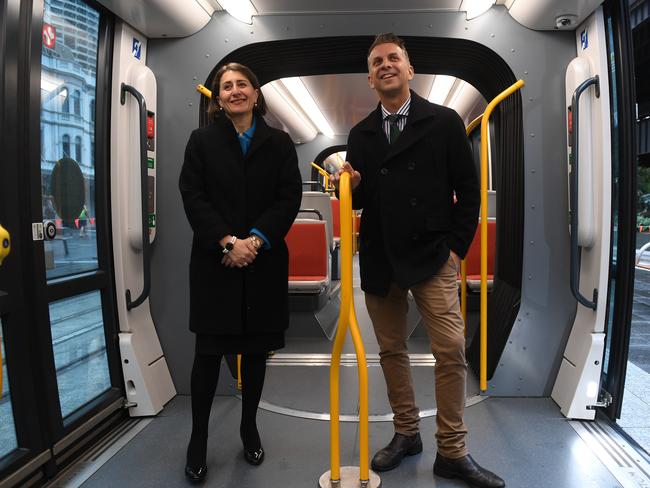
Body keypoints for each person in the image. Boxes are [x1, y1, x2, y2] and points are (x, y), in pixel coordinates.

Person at [331, 33, 505, 488]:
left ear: (410, 70)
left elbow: (468, 192)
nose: (385, 65)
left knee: (449, 351)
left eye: (394, 58)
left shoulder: (444, 122)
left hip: (432, 255)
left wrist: (454, 248)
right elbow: (364, 200)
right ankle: (407, 432)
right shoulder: (361, 133)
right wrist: (350, 183)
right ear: (370, 78)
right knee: (392, 350)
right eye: (377, 62)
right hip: (382, 257)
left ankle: (453, 450)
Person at [178, 62, 302, 483]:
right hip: (216, 262)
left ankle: (249, 425)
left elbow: (288, 198)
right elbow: (192, 195)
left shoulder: (281, 145)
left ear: (255, 93)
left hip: (262, 263)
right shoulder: (202, 142)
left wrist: (255, 240)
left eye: (242, 84)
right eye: (226, 86)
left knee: (255, 352)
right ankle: (198, 439)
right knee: (208, 355)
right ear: (218, 98)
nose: (234, 91)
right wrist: (228, 242)